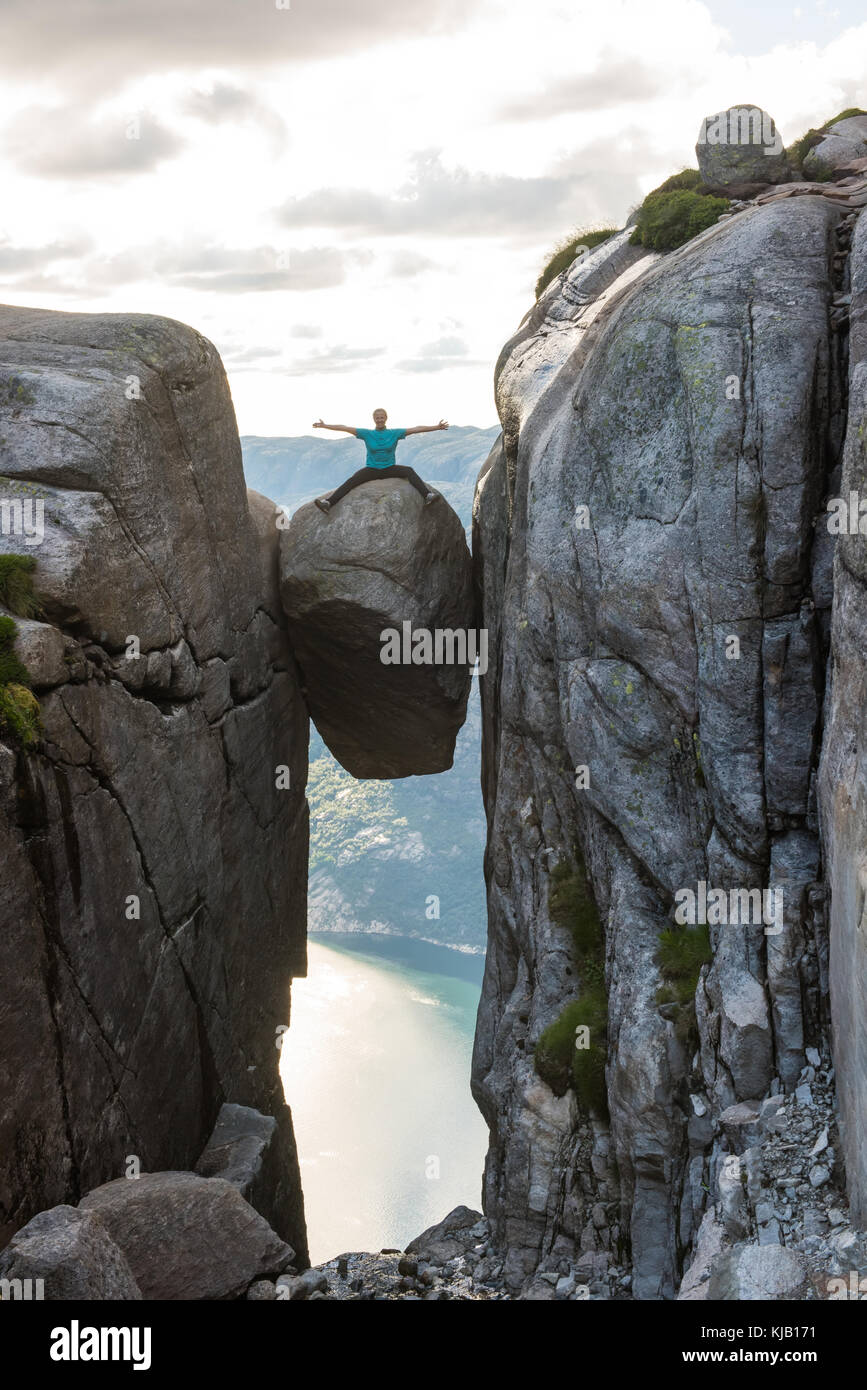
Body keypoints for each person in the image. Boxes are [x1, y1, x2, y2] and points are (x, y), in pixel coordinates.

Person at [311, 408, 448, 513]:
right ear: (374, 419)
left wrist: (436, 427)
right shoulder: (367, 434)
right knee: (352, 481)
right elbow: (344, 428)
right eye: (377, 418)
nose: (380, 420)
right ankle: (328, 503)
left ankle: (427, 496)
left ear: (386, 418)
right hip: (372, 469)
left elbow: (417, 429)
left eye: (382, 417)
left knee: (409, 471)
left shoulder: (394, 433)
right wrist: (325, 426)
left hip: (389, 468)